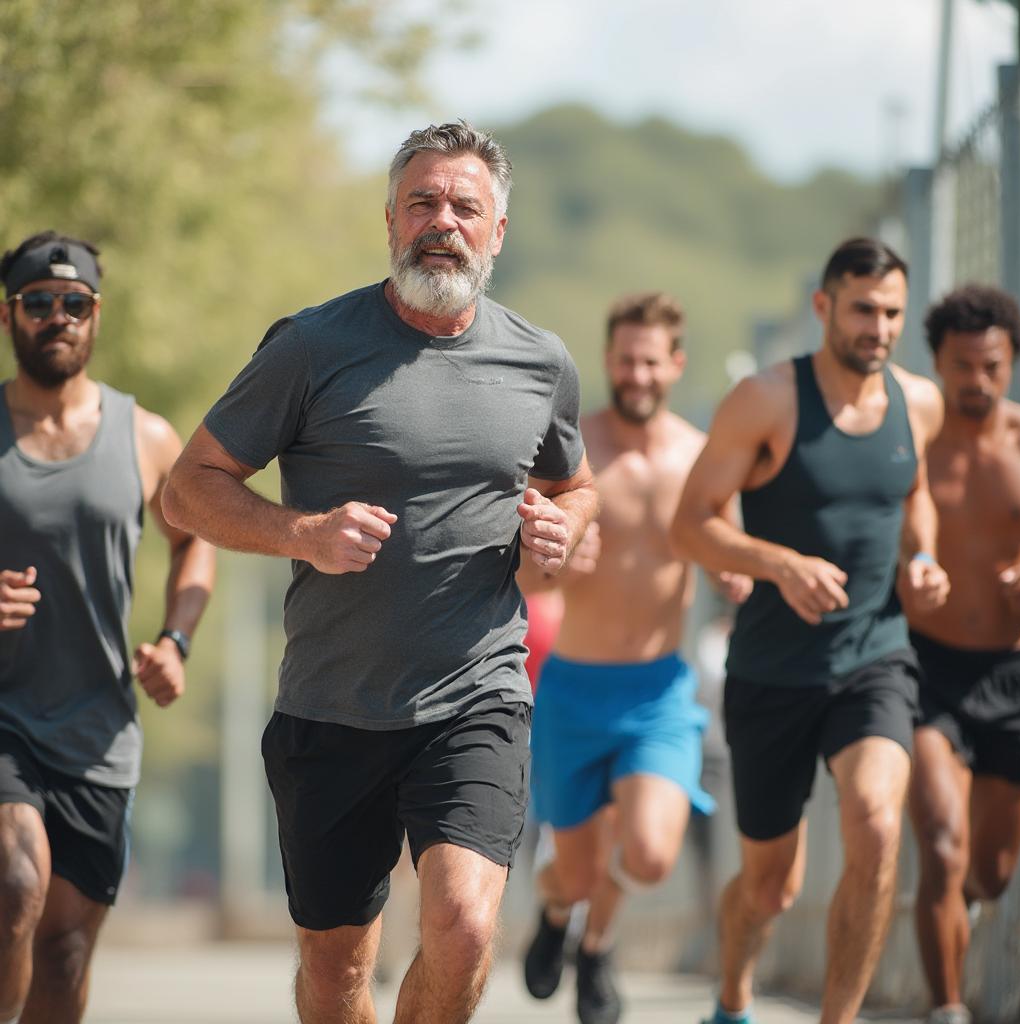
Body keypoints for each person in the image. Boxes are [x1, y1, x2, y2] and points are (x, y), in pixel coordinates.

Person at [161, 121, 598, 1024]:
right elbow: (187, 490)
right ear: (391, 222)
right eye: (422, 203)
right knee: (335, 979)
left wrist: (564, 527)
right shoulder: (312, 348)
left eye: (464, 206)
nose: (443, 221)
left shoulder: (540, 360)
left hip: (477, 693)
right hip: (333, 703)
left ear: (498, 229)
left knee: (466, 927)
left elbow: (577, 485)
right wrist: (304, 532)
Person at [672, 237, 951, 1024]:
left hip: (876, 656)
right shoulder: (765, 400)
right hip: (772, 671)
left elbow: (915, 492)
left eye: (893, 312)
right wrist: (779, 563)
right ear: (825, 307)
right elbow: (689, 526)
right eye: (863, 309)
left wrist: (922, 554)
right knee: (770, 886)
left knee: (873, 821)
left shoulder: (918, 401)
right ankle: (732, 997)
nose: (879, 326)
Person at [0, 231, 215, 1024]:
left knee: (64, 954)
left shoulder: (146, 436)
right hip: (4, 720)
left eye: (74, 303)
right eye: (38, 303)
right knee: (13, 885)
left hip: (98, 732)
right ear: (8, 316)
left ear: (97, 315)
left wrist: (176, 641)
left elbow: (194, 541)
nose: (57, 316)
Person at [521, 292, 750, 1024]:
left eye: (651, 361)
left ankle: (598, 948)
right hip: (572, 691)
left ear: (674, 364)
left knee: (649, 855)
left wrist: (732, 576)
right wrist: (557, 564)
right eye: (625, 360)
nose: (637, 374)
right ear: (607, 360)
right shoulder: (569, 453)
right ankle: (559, 917)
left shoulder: (698, 456)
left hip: (656, 691)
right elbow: (523, 578)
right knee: (577, 871)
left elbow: (728, 555)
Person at [904, 284, 1020, 1024]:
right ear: (938, 364)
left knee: (992, 871)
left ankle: (970, 907)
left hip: (1012, 670)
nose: (977, 381)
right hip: (926, 667)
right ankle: (948, 1009)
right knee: (943, 850)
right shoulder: (914, 445)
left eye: (993, 366)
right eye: (962, 366)